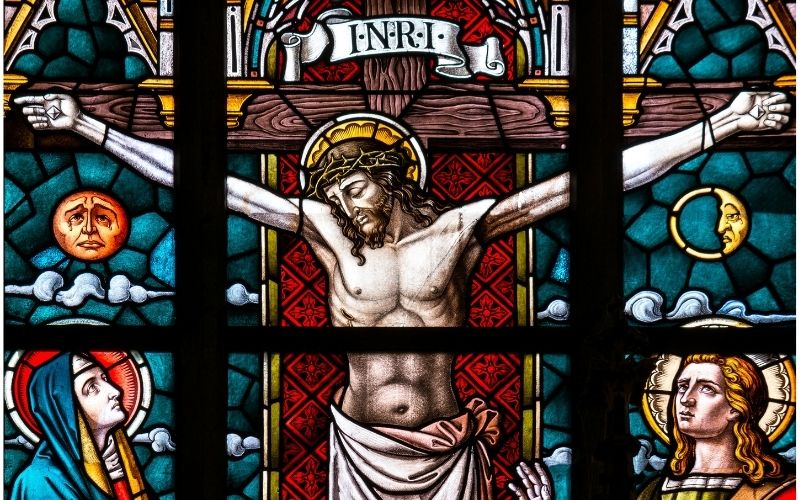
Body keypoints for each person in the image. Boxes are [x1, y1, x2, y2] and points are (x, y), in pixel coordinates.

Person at [15, 90, 792, 498]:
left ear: (389, 181)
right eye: (332, 191)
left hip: (445, 444)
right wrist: (91, 130)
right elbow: (209, 185)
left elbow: (587, 184)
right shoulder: (321, 230)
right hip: (359, 444)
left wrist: (716, 129)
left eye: (353, 186)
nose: (344, 203)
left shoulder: (457, 232)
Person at [638, 354, 795, 500]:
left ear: (736, 407)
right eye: (683, 386)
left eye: (707, 388)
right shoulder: (651, 492)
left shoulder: (778, 490)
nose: (686, 399)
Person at [11, 352, 150, 499]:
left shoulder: (124, 466)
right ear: (65, 409)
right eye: (92, 387)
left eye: (104, 379)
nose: (115, 391)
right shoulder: (38, 480)